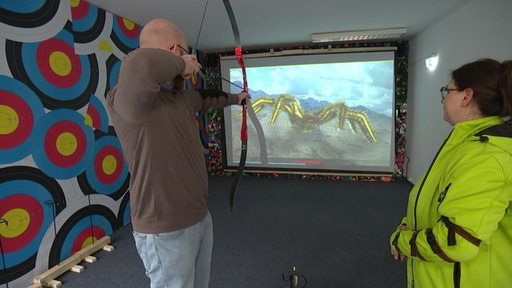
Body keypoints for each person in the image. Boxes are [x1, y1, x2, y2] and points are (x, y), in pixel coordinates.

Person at [106, 18, 250, 288]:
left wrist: (237, 98)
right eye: (186, 53)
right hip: (165, 230)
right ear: (174, 51)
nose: (191, 61)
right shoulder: (127, 100)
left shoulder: (179, 98)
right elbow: (139, 64)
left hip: (198, 216)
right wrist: (183, 64)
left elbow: (208, 97)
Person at [390, 58, 512, 288]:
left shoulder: (487, 156)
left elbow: (456, 241)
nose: (443, 98)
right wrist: (410, 224)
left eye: (447, 90)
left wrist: (402, 241)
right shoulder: (465, 144)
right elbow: (441, 199)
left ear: (466, 96)